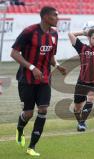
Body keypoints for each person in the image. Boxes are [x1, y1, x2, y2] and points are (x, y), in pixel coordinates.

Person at [11, 6, 66, 156]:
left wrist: (58, 66)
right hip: (26, 79)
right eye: (55, 16)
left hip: (44, 79)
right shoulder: (30, 31)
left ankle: (32, 147)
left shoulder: (54, 34)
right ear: (46, 17)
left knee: (43, 110)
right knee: (28, 113)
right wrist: (32, 67)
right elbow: (14, 53)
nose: (57, 18)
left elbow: (51, 56)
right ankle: (20, 128)